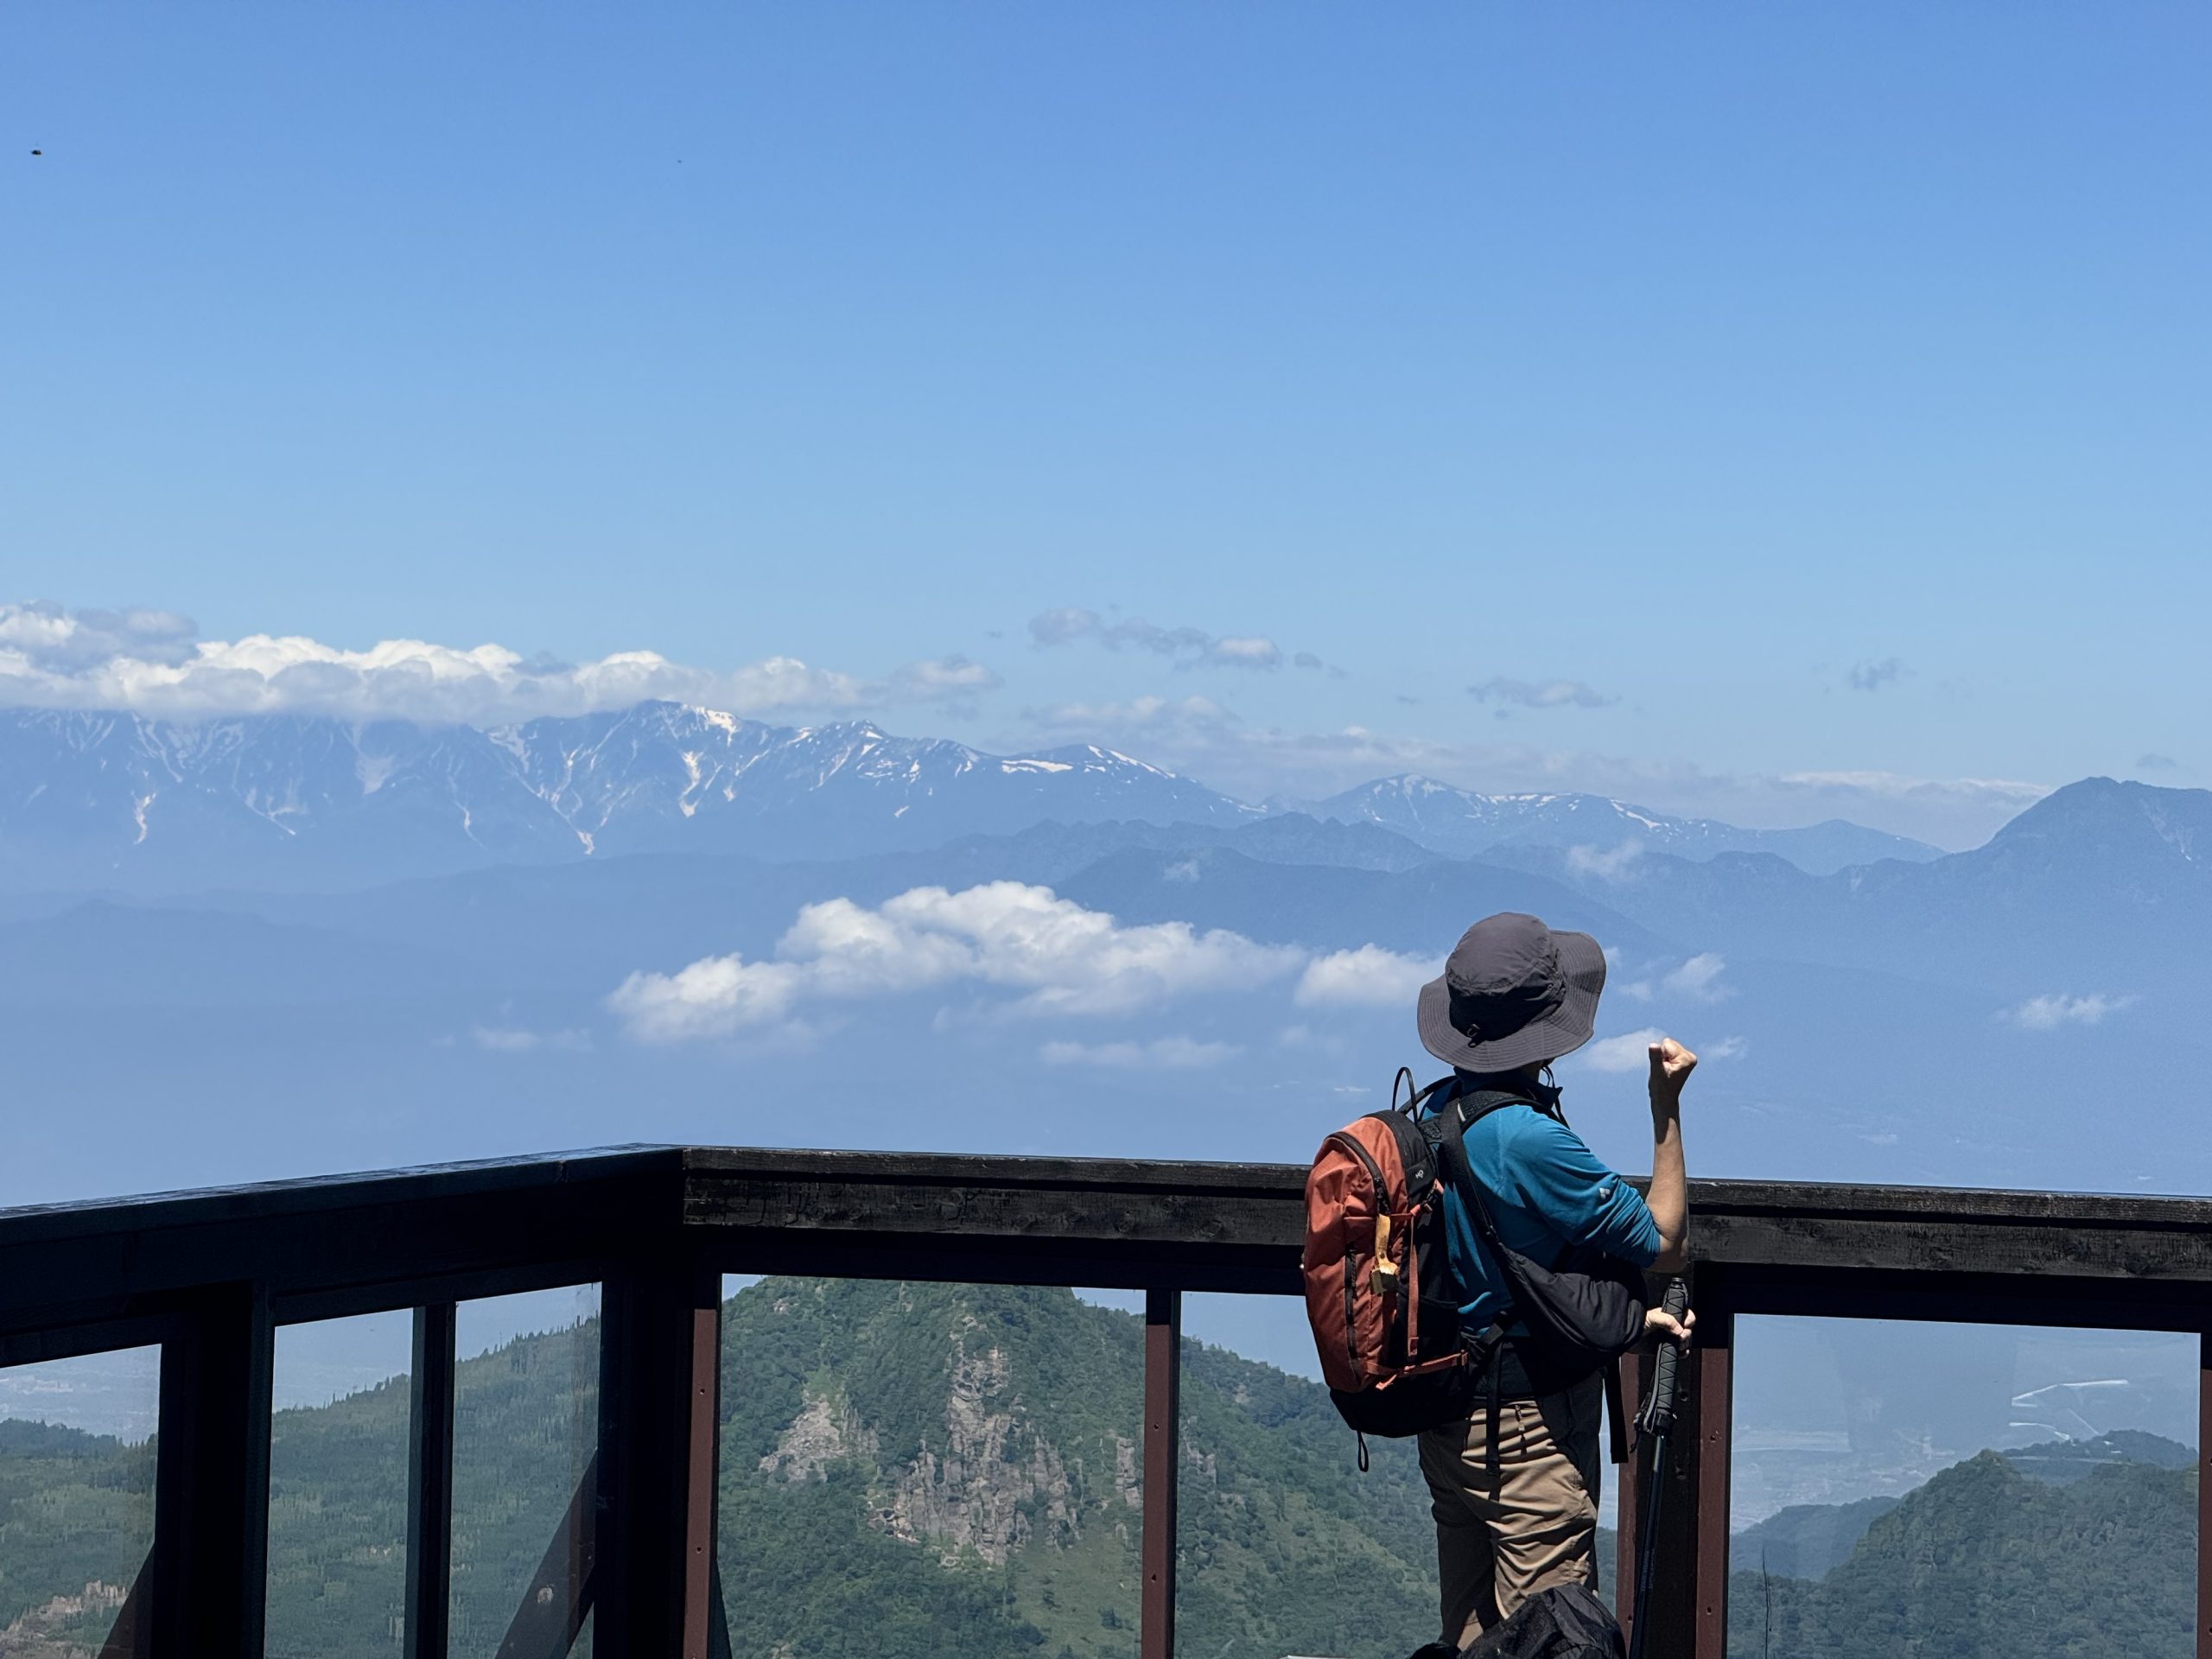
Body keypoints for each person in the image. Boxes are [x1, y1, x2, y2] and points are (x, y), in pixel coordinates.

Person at [1411, 910, 1694, 1649]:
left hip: (1449, 1419)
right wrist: (1665, 1109)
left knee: (1472, 1640)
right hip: (1527, 1433)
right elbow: (1663, 1240)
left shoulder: (1433, 1114)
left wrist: (1631, 1319)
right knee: (1552, 1637)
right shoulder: (1525, 1137)